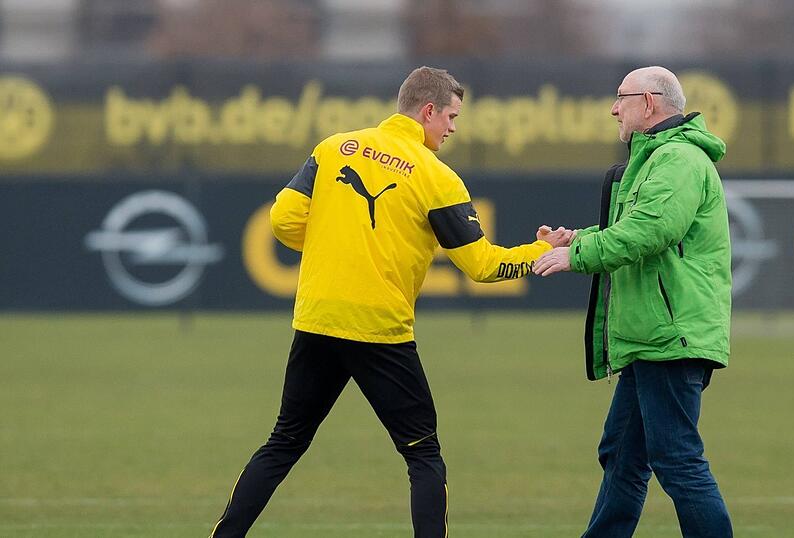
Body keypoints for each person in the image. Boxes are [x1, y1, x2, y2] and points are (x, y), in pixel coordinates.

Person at [209, 66, 573, 538]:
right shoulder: (436, 177)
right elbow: (482, 266)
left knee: (285, 440)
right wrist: (541, 252)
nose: (453, 127)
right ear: (428, 111)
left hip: (317, 319)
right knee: (422, 454)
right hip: (379, 329)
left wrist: (336, 245)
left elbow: (282, 222)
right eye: (450, 116)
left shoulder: (334, 147)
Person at [534, 66, 734, 537]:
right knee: (621, 454)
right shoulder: (656, 161)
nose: (612, 108)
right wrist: (580, 237)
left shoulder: (679, 160)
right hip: (652, 337)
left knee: (677, 458)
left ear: (648, 103)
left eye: (620, 98)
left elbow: (650, 232)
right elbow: (637, 230)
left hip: (671, 335)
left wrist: (576, 255)